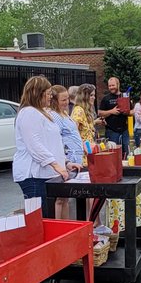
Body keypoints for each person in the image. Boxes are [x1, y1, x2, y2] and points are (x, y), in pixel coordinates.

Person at [14, 76, 74, 199]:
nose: (50, 96)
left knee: (47, 209)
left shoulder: (39, 112)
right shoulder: (29, 112)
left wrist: (65, 162)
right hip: (34, 175)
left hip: (44, 174)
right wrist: (56, 165)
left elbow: (50, 143)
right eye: (48, 93)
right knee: (39, 210)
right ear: (38, 94)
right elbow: (34, 145)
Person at [50, 84, 85, 218]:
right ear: (55, 101)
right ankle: (59, 224)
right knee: (60, 198)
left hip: (75, 157)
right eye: (63, 100)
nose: (66, 102)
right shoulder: (55, 116)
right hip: (67, 158)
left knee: (66, 197)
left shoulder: (64, 113)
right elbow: (57, 137)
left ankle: (67, 224)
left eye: (67, 99)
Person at [97, 77, 130, 157]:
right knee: (113, 153)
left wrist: (127, 112)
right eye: (109, 86)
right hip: (111, 130)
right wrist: (111, 111)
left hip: (124, 130)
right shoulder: (106, 98)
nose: (111, 87)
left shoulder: (125, 96)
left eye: (113, 85)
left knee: (126, 152)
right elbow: (99, 113)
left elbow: (132, 111)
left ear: (118, 85)